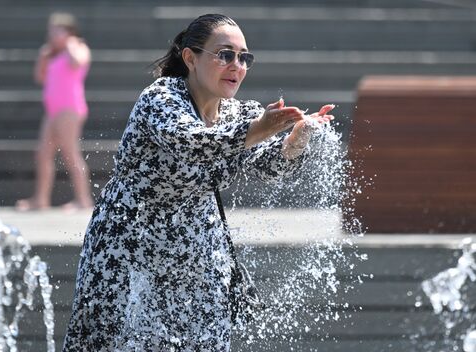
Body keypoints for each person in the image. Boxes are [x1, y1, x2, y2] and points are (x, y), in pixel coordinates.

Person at [62, 14, 334, 351]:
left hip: (198, 251)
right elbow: (193, 143)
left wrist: (295, 141)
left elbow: (269, 166)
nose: (237, 65)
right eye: (225, 54)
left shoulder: (237, 112)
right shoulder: (160, 98)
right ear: (190, 58)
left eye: (244, 57)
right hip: (129, 248)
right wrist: (260, 129)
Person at [16, 12, 93, 211]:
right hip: (53, 110)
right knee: (43, 153)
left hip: (70, 110)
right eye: (51, 31)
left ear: (69, 33)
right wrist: (43, 58)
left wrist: (70, 45)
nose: (52, 35)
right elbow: (40, 78)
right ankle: (40, 199)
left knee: (70, 153)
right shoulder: (52, 55)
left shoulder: (78, 47)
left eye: (57, 31)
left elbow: (78, 61)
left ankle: (83, 200)